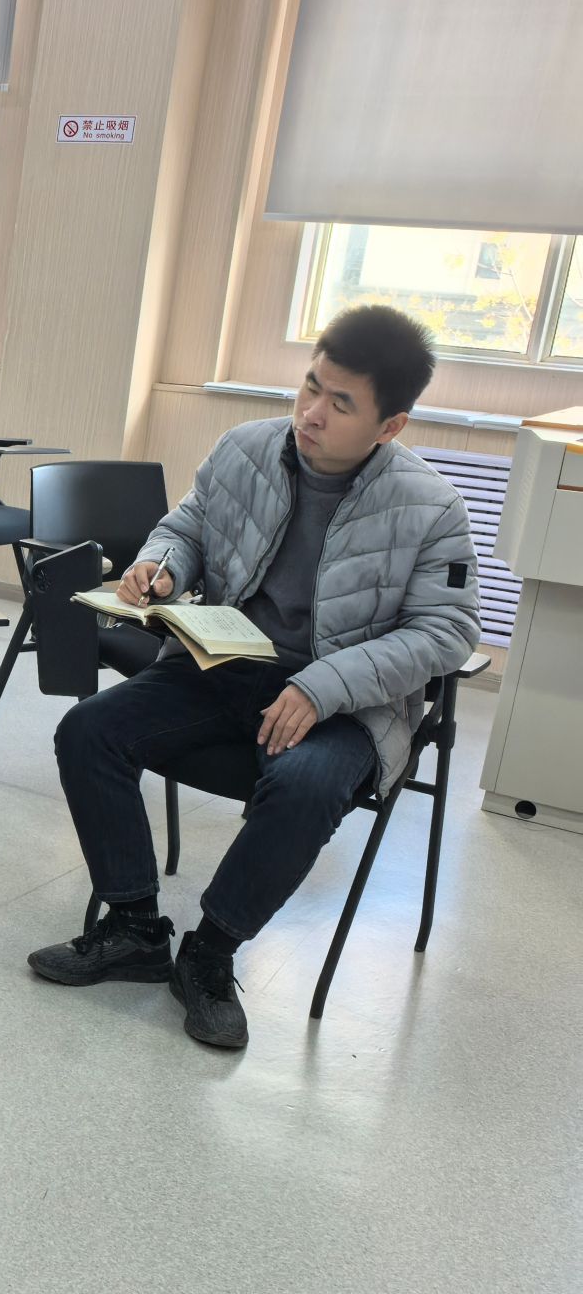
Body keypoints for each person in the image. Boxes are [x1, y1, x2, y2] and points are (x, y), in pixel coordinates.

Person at [26, 304, 480, 1049]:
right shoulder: (244, 450)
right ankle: (135, 927)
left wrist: (322, 686)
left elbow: (448, 631)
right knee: (88, 730)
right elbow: (187, 527)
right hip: (222, 666)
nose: (312, 413)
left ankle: (210, 954)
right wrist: (161, 568)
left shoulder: (431, 508)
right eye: (311, 386)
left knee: (305, 786)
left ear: (390, 425)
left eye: (341, 404)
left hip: (343, 702)